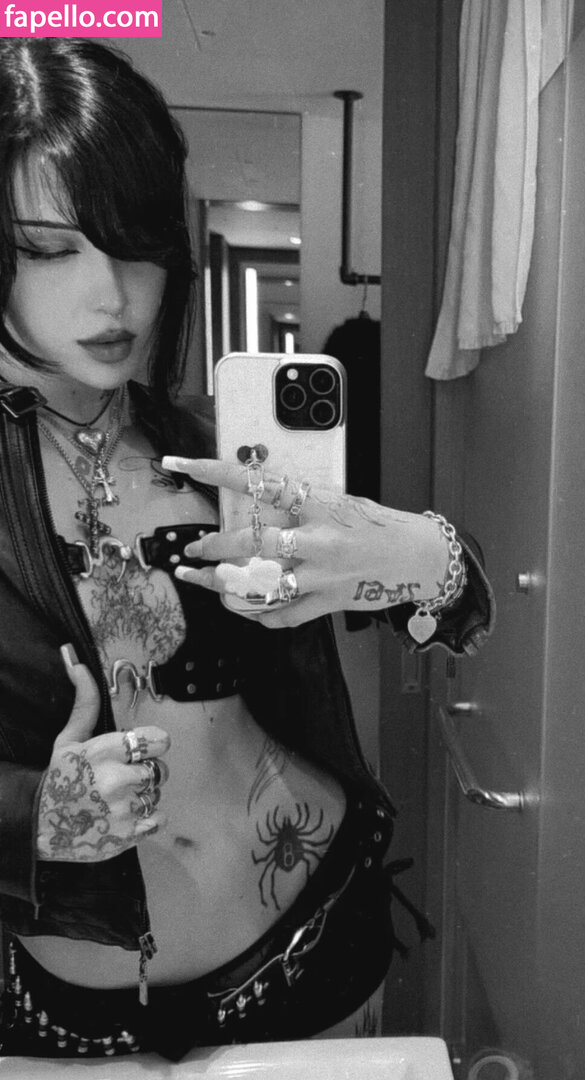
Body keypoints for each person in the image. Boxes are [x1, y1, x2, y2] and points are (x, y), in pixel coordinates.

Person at [0, 37, 494, 1062]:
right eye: (49, 249)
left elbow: (460, 610)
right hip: (65, 1008)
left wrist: (424, 553)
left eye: (136, 243)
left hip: (314, 942)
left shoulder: (218, 451)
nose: (112, 295)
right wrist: (32, 819)